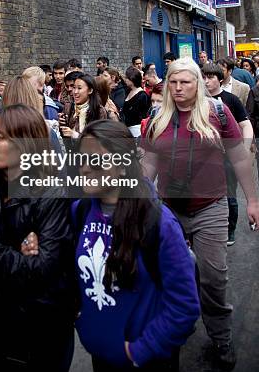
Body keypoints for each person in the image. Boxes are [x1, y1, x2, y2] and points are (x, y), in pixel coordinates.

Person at [141, 57, 259, 369]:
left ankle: (221, 337)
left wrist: (252, 201)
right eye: (173, 83)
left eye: (186, 82)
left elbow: (238, 156)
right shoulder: (157, 118)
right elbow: (147, 167)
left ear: (197, 83)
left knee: (213, 278)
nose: (178, 89)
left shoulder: (217, 112)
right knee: (170, 273)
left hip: (210, 206)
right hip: (169, 211)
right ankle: (179, 321)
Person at [73, 120, 200, 371]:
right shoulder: (80, 211)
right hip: (102, 356)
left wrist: (139, 351)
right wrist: (84, 322)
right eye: (80, 160)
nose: (85, 169)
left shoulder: (159, 223)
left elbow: (184, 305)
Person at [0, 105, 75, 372]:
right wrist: (12, 249)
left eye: (0, 137)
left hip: (40, 330)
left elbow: (41, 270)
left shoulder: (51, 193)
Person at [202, 63, 254, 246]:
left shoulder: (230, 100)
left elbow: (246, 124)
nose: (206, 81)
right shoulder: (196, 101)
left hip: (227, 156)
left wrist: (245, 148)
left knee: (230, 194)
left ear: (220, 79)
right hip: (205, 159)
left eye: (210, 77)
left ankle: (230, 229)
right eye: (204, 77)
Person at [60, 74, 107, 140]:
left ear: (90, 90)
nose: (75, 92)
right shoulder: (68, 107)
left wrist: (76, 135)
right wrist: (61, 125)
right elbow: (64, 137)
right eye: (74, 87)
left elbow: (99, 140)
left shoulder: (99, 110)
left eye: (79, 88)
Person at [121, 67, 150, 137]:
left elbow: (145, 116)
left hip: (137, 130)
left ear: (132, 79)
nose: (125, 80)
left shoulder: (143, 95)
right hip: (128, 129)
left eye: (127, 78)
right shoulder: (128, 91)